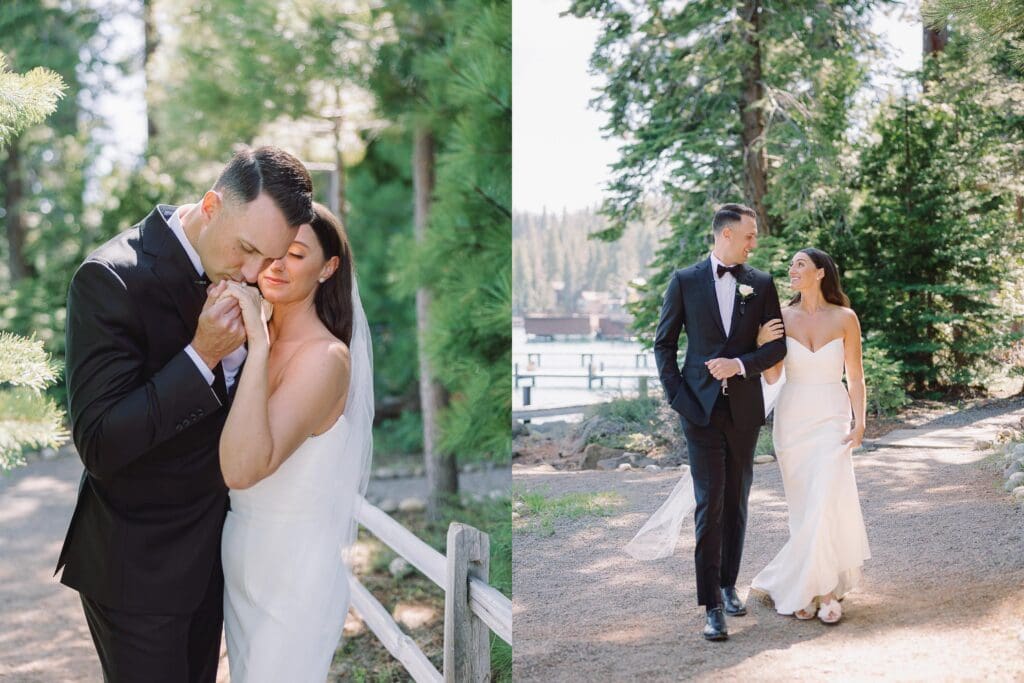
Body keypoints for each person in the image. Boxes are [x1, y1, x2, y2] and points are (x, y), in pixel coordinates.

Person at [55, 146, 314, 682]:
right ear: (212, 204)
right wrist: (201, 356)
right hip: (136, 567)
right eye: (245, 250)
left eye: (267, 259)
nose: (252, 272)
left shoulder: (249, 277)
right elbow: (100, 443)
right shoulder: (109, 278)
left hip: (214, 561)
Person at [216, 203, 373, 681]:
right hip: (239, 552)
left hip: (294, 566)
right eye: (272, 253)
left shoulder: (327, 358)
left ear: (328, 268)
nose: (277, 265)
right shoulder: (241, 340)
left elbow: (244, 468)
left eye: (297, 254)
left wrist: (260, 347)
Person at [638, 203, 787, 641]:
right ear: (725, 235)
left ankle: (728, 582)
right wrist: (679, 398)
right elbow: (663, 345)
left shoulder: (761, 284)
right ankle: (711, 605)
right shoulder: (684, 281)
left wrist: (739, 364)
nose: (754, 242)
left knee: (738, 502)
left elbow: (776, 350)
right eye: (749, 235)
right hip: (698, 413)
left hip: (743, 412)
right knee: (710, 504)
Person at [749, 247, 871, 625]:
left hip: (832, 416)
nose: (792, 269)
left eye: (800, 263)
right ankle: (811, 586)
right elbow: (772, 378)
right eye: (791, 265)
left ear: (820, 272)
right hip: (793, 418)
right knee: (804, 509)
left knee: (824, 501)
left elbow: (856, 375)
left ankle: (824, 592)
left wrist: (859, 421)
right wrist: (758, 345)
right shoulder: (780, 319)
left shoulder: (845, 318)